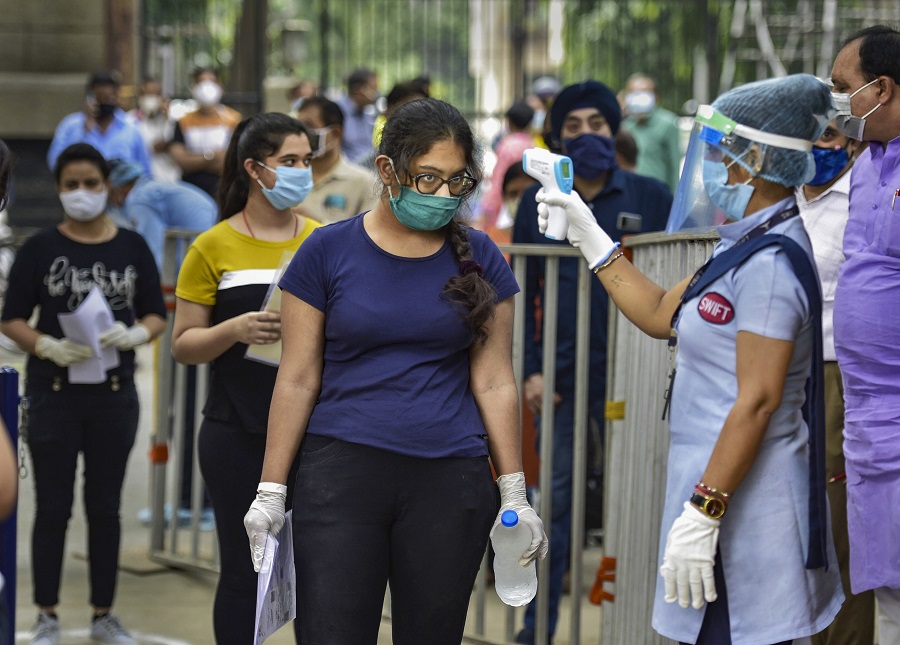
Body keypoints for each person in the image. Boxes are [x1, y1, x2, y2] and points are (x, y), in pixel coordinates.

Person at [539, 73, 845, 644]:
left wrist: (706, 509)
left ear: (753, 158)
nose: (709, 167)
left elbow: (757, 401)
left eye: (719, 152)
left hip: (745, 507)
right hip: (715, 489)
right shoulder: (741, 245)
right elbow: (658, 311)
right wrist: (586, 231)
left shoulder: (772, 265)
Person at [243, 98, 548, 644]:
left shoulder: (480, 257)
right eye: (427, 177)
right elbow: (296, 376)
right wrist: (271, 490)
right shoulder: (325, 250)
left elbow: (496, 380)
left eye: (458, 181)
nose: (442, 193)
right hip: (340, 474)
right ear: (387, 170)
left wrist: (514, 490)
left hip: (449, 479)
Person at [510, 80, 672, 644]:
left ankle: (641, 628)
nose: (585, 135)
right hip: (561, 376)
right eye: (572, 127)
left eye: (596, 125)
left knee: (642, 496)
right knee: (553, 504)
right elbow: (523, 289)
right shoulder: (539, 202)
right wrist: (531, 369)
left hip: (638, 369)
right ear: (555, 137)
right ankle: (537, 628)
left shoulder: (651, 196)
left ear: (614, 129)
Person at [0, 143, 166, 645]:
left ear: (107, 187)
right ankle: (46, 613)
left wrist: (137, 334)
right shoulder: (39, 248)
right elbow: (10, 318)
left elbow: (155, 311)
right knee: (52, 506)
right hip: (54, 393)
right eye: (71, 185)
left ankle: (104, 614)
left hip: (114, 395)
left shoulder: (132, 246)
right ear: (57, 188)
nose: (81, 194)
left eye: (91, 184)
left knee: (105, 506)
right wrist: (45, 344)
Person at [171, 112, 320, 644]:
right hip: (234, 429)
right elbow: (183, 345)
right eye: (290, 162)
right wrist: (233, 328)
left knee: (320, 576)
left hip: (313, 432)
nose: (303, 171)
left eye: (307, 161)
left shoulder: (323, 240)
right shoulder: (212, 245)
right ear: (255, 169)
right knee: (242, 569)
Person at [829, 24, 900, 643]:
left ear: (883, 88)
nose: (838, 102)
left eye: (842, 88)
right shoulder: (870, 163)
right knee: (887, 592)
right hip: (867, 421)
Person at [795, 122, 874, 645]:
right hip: (772, 372)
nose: (814, 148)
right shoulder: (776, 198)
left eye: (826, 135)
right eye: (803, 135)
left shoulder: (863, 196)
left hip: (831, 374)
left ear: (849, 142)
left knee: (839, 528)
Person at [107, 160, 217, 272]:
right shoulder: (151, 188)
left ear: (115, 188)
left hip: (200, 250)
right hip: (211, 242)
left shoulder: (138, 199)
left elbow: (155, 250)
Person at [47, 71, 152, 177]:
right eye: (100, 98)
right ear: (90, 97)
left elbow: (145, 171)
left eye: (109, 98)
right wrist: (86, 129)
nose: (105, 103)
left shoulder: (131, 128)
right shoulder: (70, 125)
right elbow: (55, 163)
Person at [294, 96, 377, 224]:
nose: (301, 134)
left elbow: (368, 236)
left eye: (309, 126)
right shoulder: (290, 177)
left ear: (335, 133)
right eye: (299, 127)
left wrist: (314, 223)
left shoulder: (365, 182)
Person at [168, 67, 242, 198]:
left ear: (220, 87)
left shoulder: (233, 119)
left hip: (225, 190)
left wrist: (196, 160)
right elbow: (181, 160)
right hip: (191, 190)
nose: (206, 87)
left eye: (211, 82)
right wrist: (213, 156)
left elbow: (233, 160)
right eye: (201, 82)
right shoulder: (184, 122)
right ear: (194, 88)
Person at [477, 100, 536, 230]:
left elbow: (500, 180)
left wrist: (489, 208)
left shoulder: (508, 145)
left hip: (507, 201)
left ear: (509, 121)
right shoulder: (531, 144)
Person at [621, 73, 682, 191]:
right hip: (631, 191)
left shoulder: (668, 124)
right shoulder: (625, 127)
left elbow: (674, 167)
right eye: (633, 93)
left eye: (644, 92)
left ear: (656, 97)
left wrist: (674, 200)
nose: (638, 97)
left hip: (659, 193)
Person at [128, 76, 181, 183]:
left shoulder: (173, 119)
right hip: (141, 181)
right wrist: (152, 148)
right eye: (148, 94)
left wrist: (167, 119)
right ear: (140, 96)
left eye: (156, 94)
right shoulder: (130, 120)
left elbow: (173, 144)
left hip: (169, 180)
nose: (151, 98)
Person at [337, 67, 380, 164]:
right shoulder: (336, 112)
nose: (377, 93)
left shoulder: (368, 114)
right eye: (374, 88)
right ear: (359, 90)